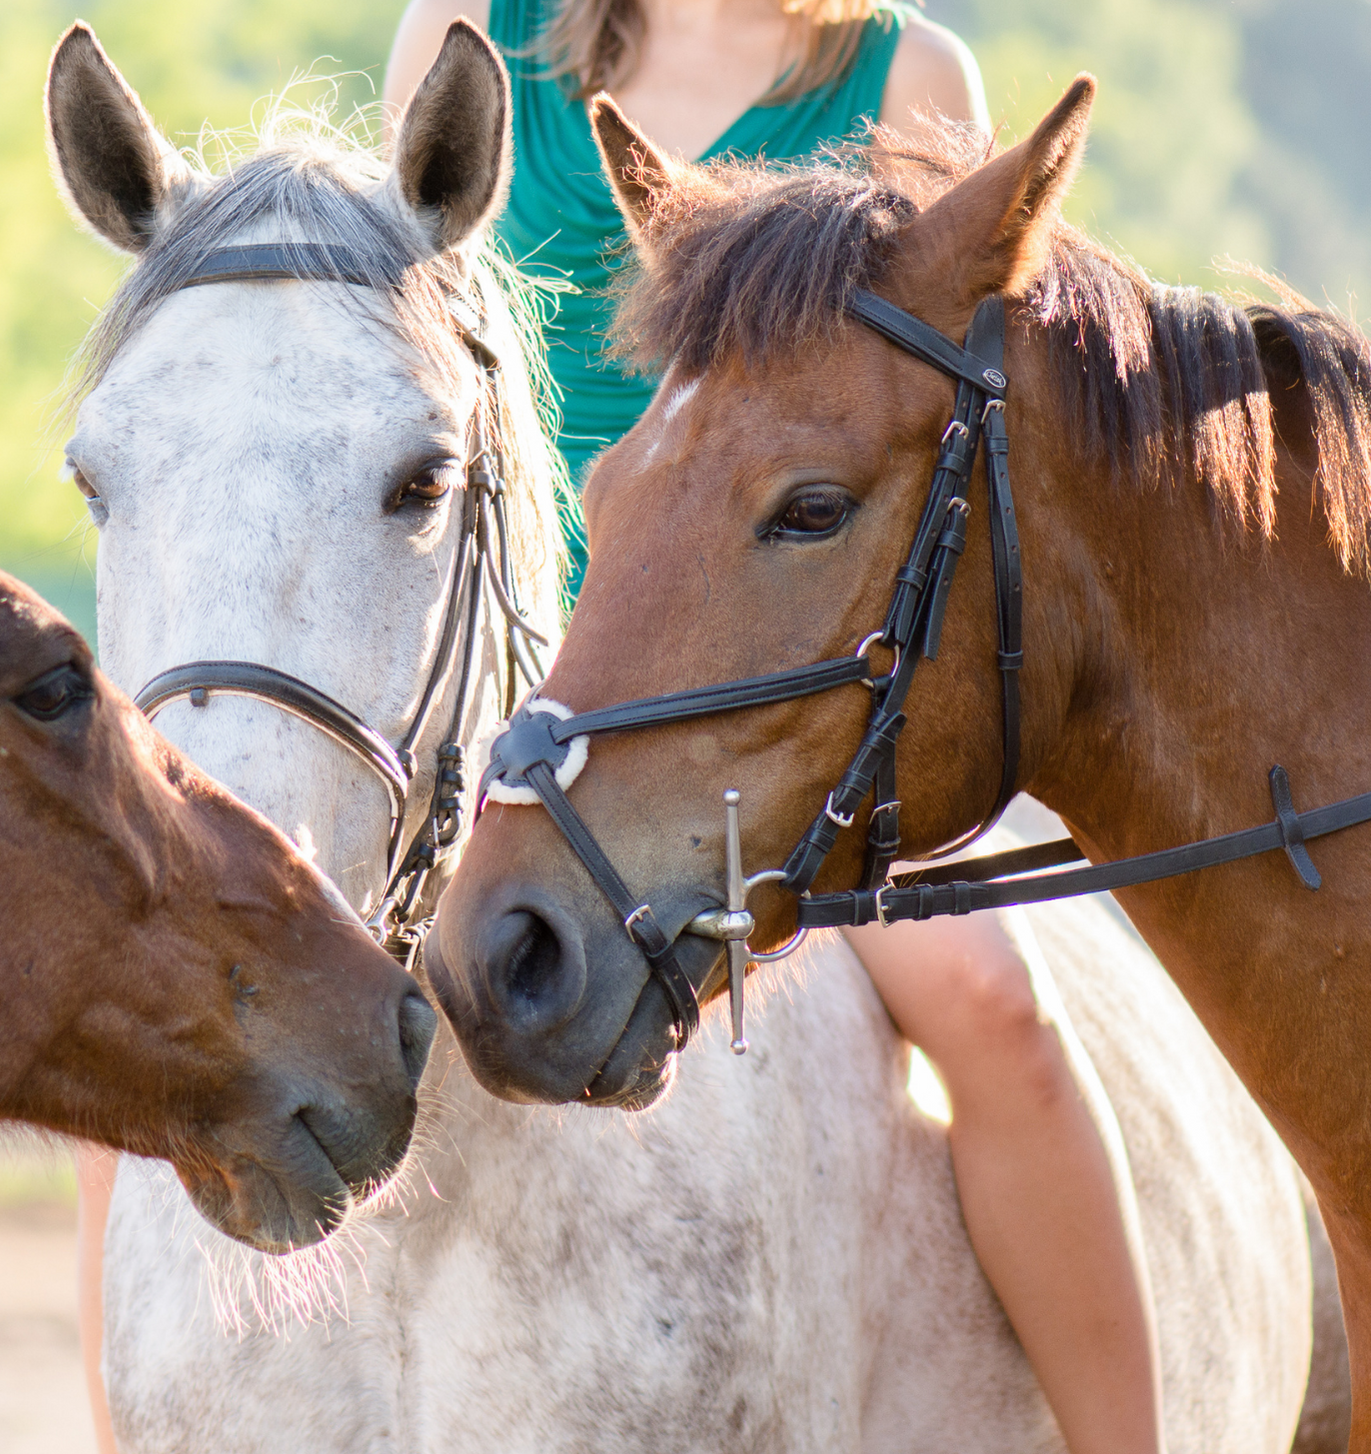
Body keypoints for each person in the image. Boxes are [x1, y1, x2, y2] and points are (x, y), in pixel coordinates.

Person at [380, 5, 1167, 1453]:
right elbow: (401, 357)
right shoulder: (473, 32)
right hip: (501, 642)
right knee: (183, 945)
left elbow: (943, 431)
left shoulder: (909, 75)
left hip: (775, 665)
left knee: (996, 1008)